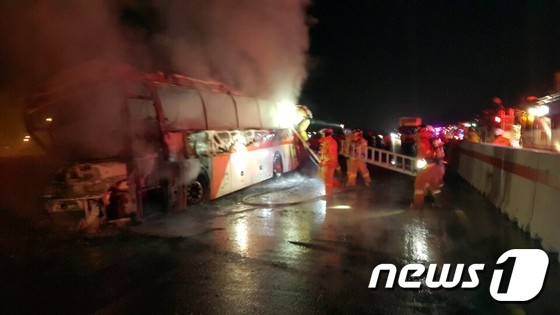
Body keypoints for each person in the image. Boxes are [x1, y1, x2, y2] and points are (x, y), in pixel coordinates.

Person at [412, 125, 446, 209]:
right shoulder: (435, 140)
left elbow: (421, 155)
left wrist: (416, 165)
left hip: (427, 168)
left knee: (419, 186)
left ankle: (418, 206)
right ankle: (441, 204)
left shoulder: (424, 139)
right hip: (437, 167)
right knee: (435, 187)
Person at [318, 128, 338, 195]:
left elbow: (332, 155)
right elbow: (323, 152)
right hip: (325, 163)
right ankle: (337, 184)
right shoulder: (324, 142)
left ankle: (329, 195)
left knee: (328, 181)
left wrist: (326, 162)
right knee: (323, 177)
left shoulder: (332, 142)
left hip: (330, 164)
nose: (322, 135)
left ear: (326, 134)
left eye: (323, 133)